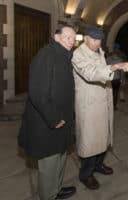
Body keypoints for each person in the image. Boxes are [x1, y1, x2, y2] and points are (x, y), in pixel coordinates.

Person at [72, 26, 128, 190]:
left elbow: (103, 71)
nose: (97, 43)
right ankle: (86, 174)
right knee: (90, 141)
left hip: (103, 101)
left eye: (99, 39)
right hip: (89, 104)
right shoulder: (78, 55)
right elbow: (91, 74)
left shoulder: (99, 51)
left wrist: (119, 66)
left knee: (103, 137)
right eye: (94, 39)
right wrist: (114, 67)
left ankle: (98, 165)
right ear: (85, 38)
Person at [18, 25, 77, 200]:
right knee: (49, 164)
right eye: (68, 37)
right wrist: (54, 118)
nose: (72, 41)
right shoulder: (46, 55)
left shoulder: (63, 56)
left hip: (61, 120)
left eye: (73, 38)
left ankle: (56, 190)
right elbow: (37, 93)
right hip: (47, 123)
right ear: (56, 37)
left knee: (60, 158)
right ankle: (48, 195)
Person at [106, 43, 127, 110]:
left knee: (109, 92)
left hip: (109, 78)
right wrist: (122, 78)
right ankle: (116, 104)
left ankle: (109, 104)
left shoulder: (108, 58)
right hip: (117, 78)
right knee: (116, 92)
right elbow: (123, 68)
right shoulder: (121, 57)